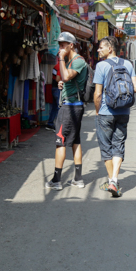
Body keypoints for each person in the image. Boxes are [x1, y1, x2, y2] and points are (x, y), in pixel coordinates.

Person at [93, 36, 136, 197]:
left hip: (106, 112)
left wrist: (97, 111)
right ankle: (114, 180)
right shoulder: (127, 64)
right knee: (118, 145)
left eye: (101, 47)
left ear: (110, 49)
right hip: (124, 112)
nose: (98, 50)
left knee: (106, 147)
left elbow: (98, 93)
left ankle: (112, 181)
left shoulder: (101, 66)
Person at [46, 32, 89, 190]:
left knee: (61, 143)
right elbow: (62, 80)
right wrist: (61, 85)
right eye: (59, 44)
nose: (60, 48)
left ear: (71, 45)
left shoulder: (78, 61)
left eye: (64, 44)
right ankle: (78, 179)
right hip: (72, 105)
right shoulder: (72, 61)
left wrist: (61, 58)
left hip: (70, 107)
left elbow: (65, 76)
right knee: (75, 141)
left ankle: (57, 180)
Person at [46, 60, 62, 131]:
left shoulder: (56, 65)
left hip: (54, 88)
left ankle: (50, 123)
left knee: (55, 107)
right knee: (59, 108)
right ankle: (58, 126)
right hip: (58, 89)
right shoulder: (60, 66)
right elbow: (57, 79)